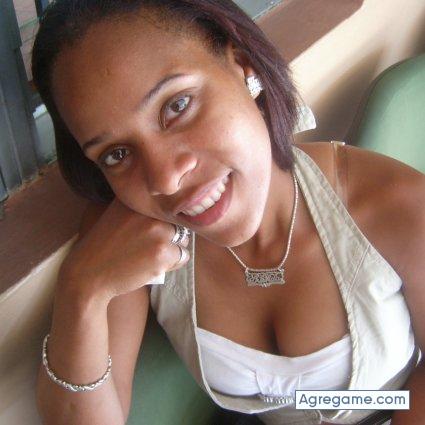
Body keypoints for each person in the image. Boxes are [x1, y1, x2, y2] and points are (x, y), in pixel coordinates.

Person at [31, 1, 425, 424]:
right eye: (117, 154)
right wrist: (81, 291)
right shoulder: (130, 236)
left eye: (176, 106)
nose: (166, 180)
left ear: (242, 65)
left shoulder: (397, 204)